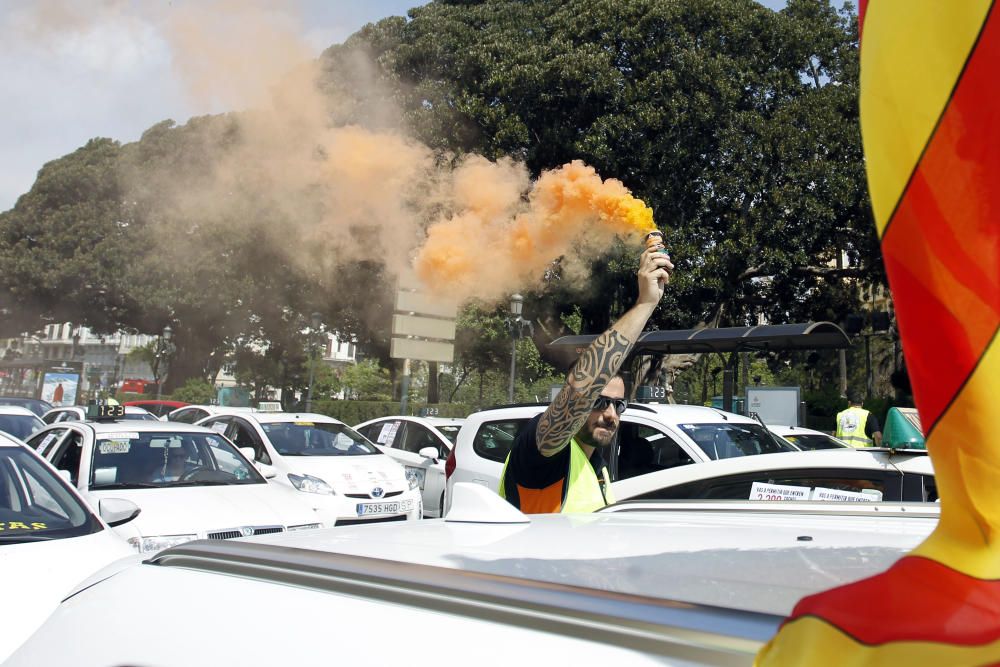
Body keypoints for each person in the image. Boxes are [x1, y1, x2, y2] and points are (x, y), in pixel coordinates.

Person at [498, 239, 673, 513]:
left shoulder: (598, 468)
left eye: (619, 405)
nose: (611, 414)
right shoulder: (542, 454)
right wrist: (646, 304)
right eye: (600, 401)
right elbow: (583, 388)